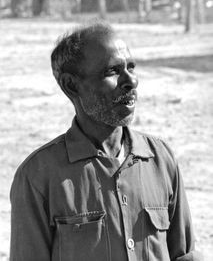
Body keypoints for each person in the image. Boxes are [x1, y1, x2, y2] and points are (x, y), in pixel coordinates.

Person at [10, 22, 201, 261]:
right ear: (71, 85)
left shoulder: (160, 159)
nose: (130, 81)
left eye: (131, 67)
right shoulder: (38, 175)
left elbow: (185, 255)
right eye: (112, 71)